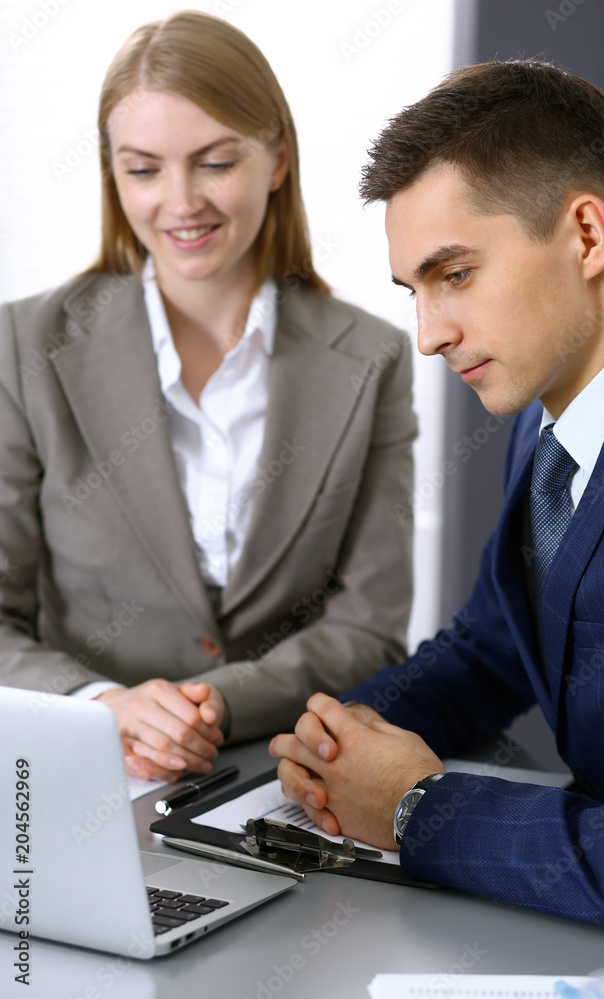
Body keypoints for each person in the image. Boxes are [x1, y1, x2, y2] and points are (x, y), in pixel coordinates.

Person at [270, 59, 604, 939]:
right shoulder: (545, 423)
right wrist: (338, 739)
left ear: (587, 237)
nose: (428, 336)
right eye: (414, 292)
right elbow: (492, 648)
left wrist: (420, 811)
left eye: (454, 275)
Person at [0, 12, 416, 783]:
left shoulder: (371, 357)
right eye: (143, 168)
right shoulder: (23, 346)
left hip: (280, 775)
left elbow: (368, 627)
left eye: (215, 161)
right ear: (111, 173)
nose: (180, 201)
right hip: (72, 772)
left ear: (278, 160)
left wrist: (211, 706)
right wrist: (105, 703)